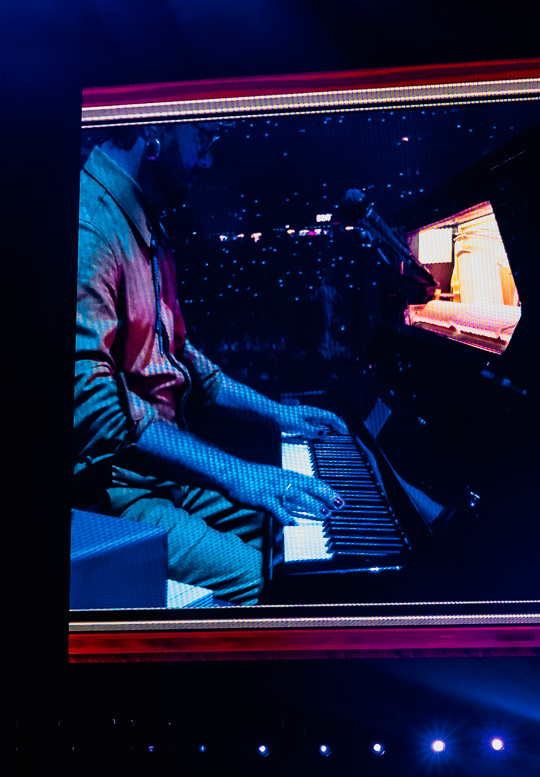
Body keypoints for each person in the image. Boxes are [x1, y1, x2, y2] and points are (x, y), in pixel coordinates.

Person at [74, 122, 349, 604]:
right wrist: (239, 473)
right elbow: (96, 414)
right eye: (202, 138)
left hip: (166, 474)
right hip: (117, 489)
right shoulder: (88, 225)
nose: (207, 160)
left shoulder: (146, 223)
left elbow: (183, 358)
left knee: (317, 525)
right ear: (155, 132)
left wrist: (280, 415)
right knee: (273, 585)